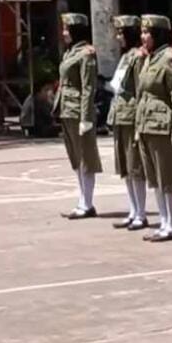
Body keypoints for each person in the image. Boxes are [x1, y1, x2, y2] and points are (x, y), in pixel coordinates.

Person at [136, 15, 172, 242]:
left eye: (147, 33)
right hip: (147, 124)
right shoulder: (149, 59)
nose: (143, 37)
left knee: (170, 176)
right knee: (156, 178)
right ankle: (164, 222)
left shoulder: (170, 58)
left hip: (163, 126)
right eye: (142, 32)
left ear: (157, 34)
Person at [53, 13, 101, 219]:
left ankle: (87, 203)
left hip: (77, 110)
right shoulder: (70, 52)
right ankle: (82, 200)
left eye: (67, 29)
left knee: (85, 158)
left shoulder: (86, 54)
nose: (64, 33)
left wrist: (86, 117)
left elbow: (88, 88)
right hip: (66, 109)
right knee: (76, 158)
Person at [107, 15, 148, 230]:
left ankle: (141, 213)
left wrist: (141, 121)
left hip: (132, 115)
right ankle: (133, 210)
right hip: (120, 114)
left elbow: (141, 91)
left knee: (135, 167)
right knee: (125, 167)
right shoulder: (125, 57)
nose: (118, 37)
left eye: (122, 33)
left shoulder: (138, 57)